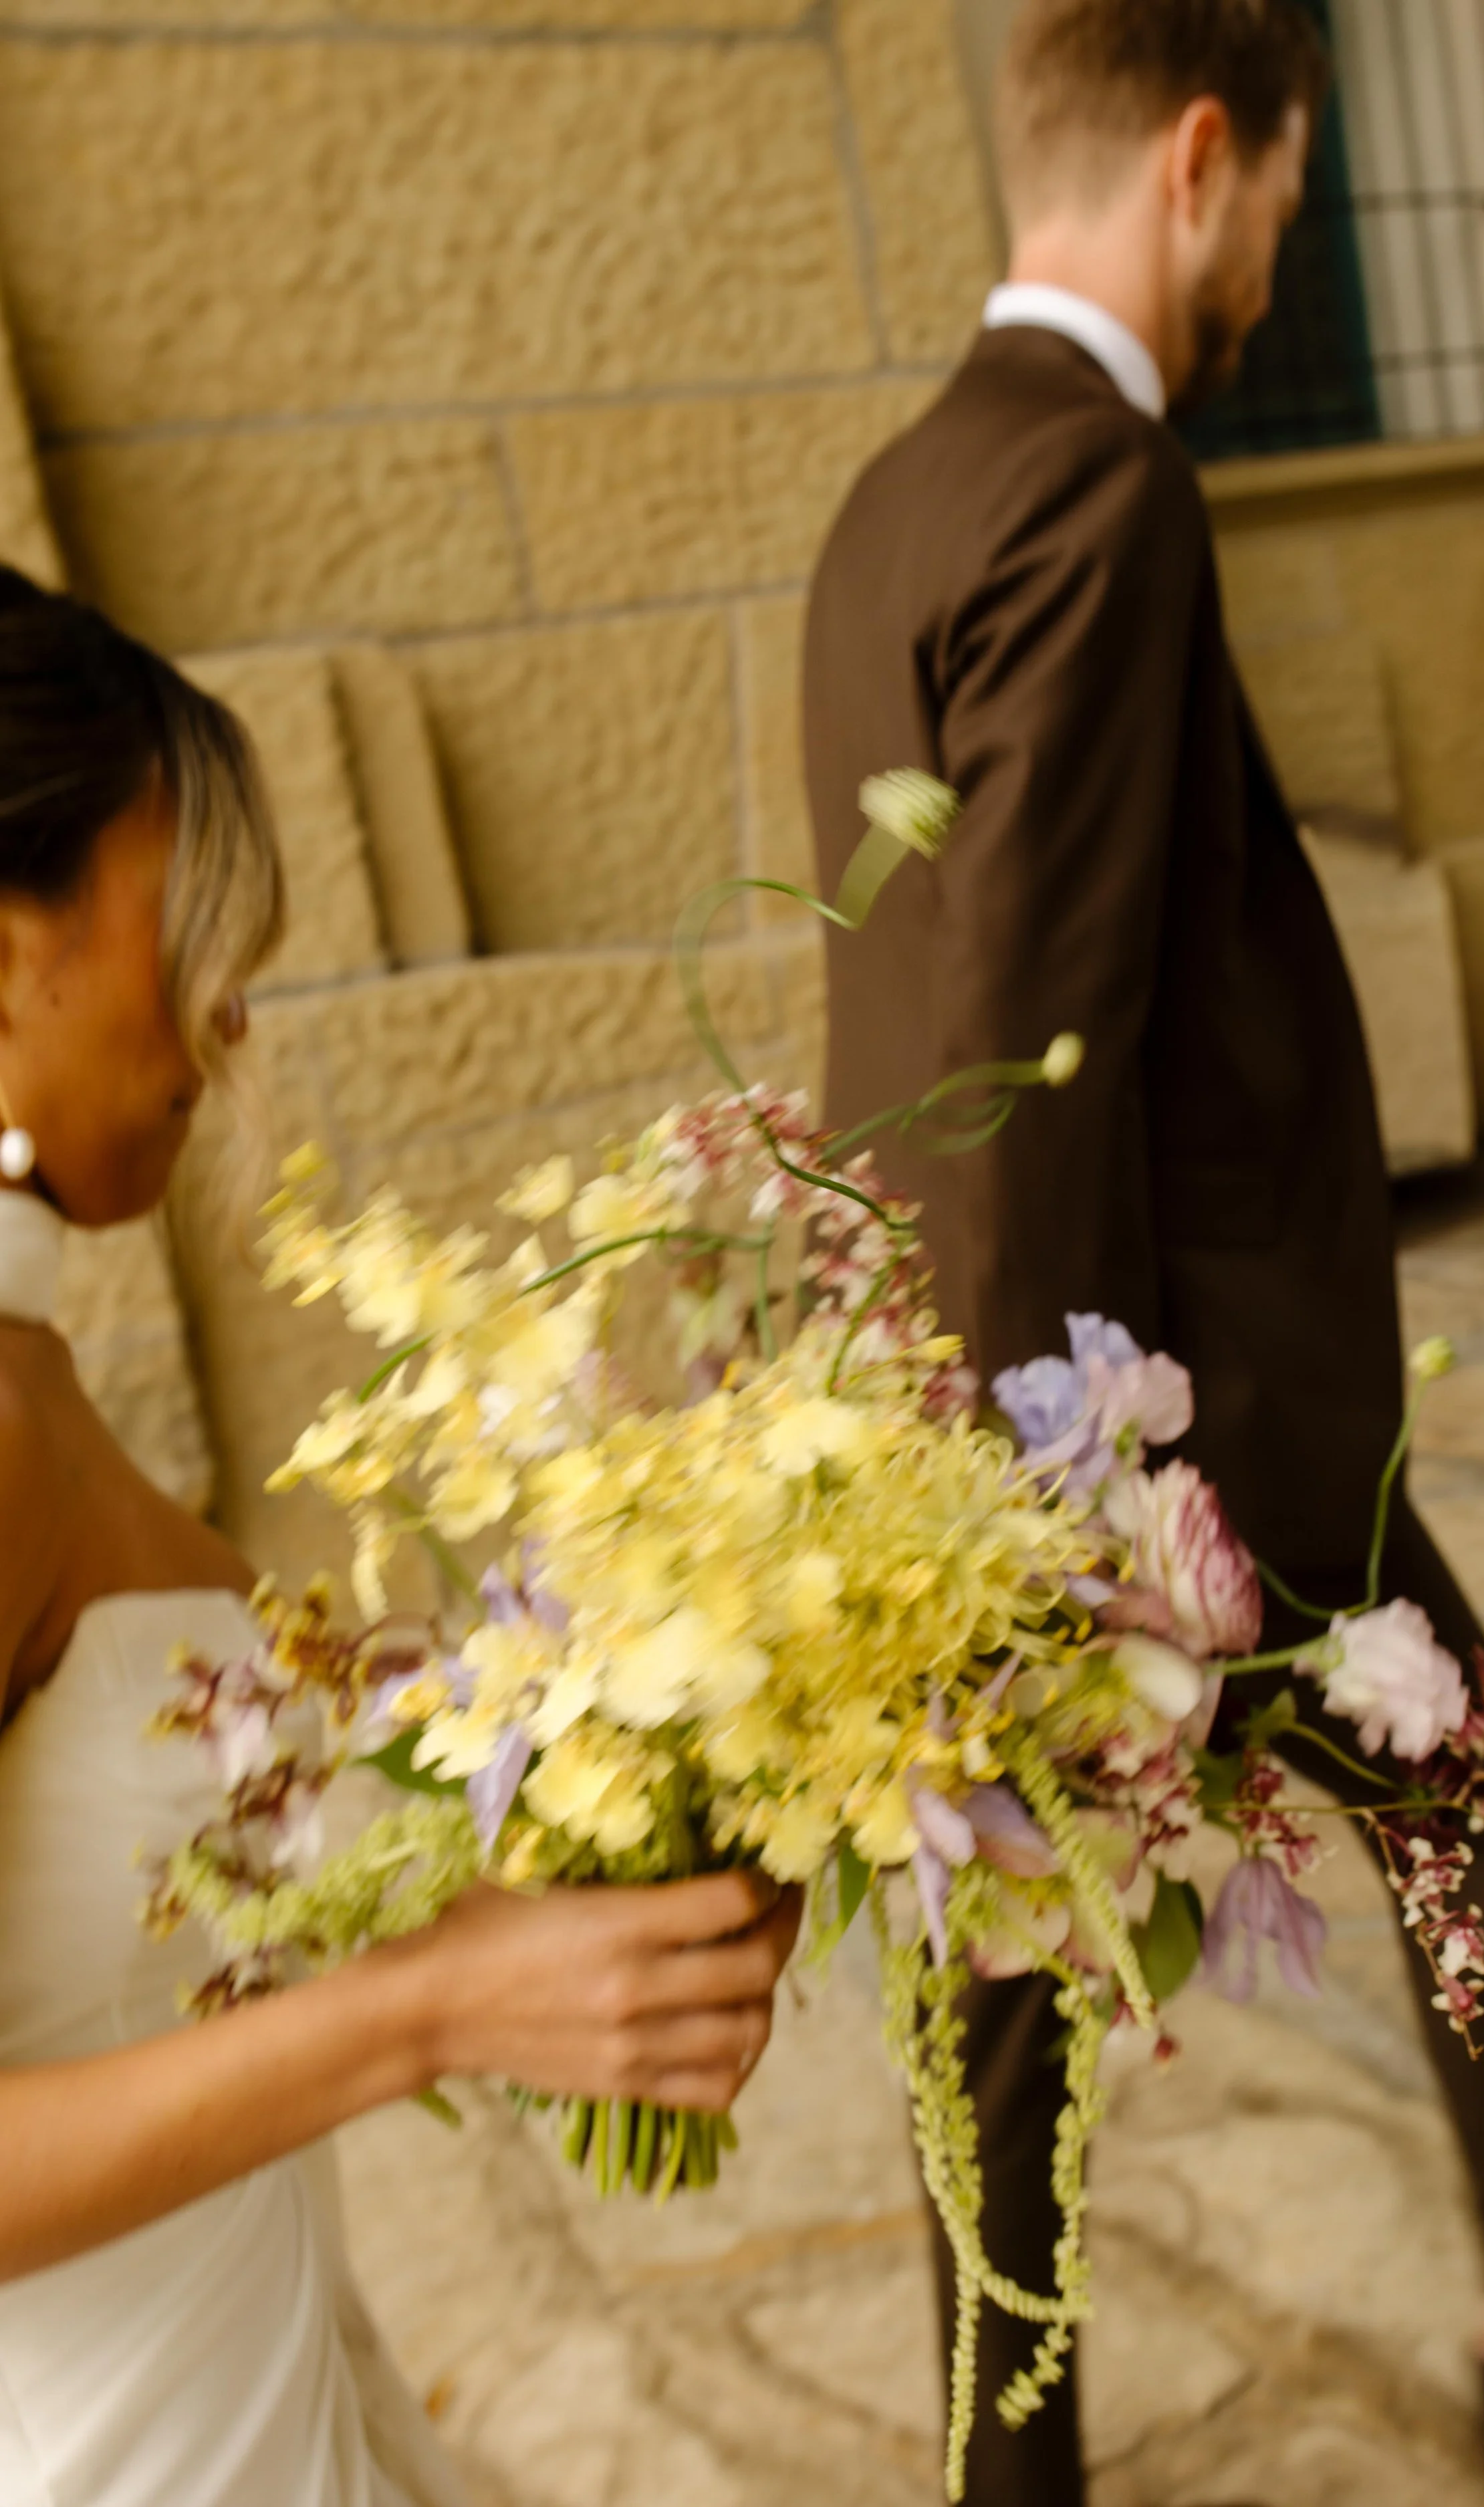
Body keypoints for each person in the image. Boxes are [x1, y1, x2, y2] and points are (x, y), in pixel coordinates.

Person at [802, 3, 1484, 2496]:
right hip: (1160, 1405)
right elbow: (1026, 1024)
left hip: (990, 1377)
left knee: (1014, 1957)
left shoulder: (894, 492)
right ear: (1202, 157)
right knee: (1443, 1776)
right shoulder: (1099, 486)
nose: (1279, 254)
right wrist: (1067, 1495)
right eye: (1283, 198)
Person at [0, 566, 801, 2506]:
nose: (227, 1009)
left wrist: (648, 1758)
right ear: (6, 949)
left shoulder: (29, 1361)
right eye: (185, 920)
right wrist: (434, 2007)